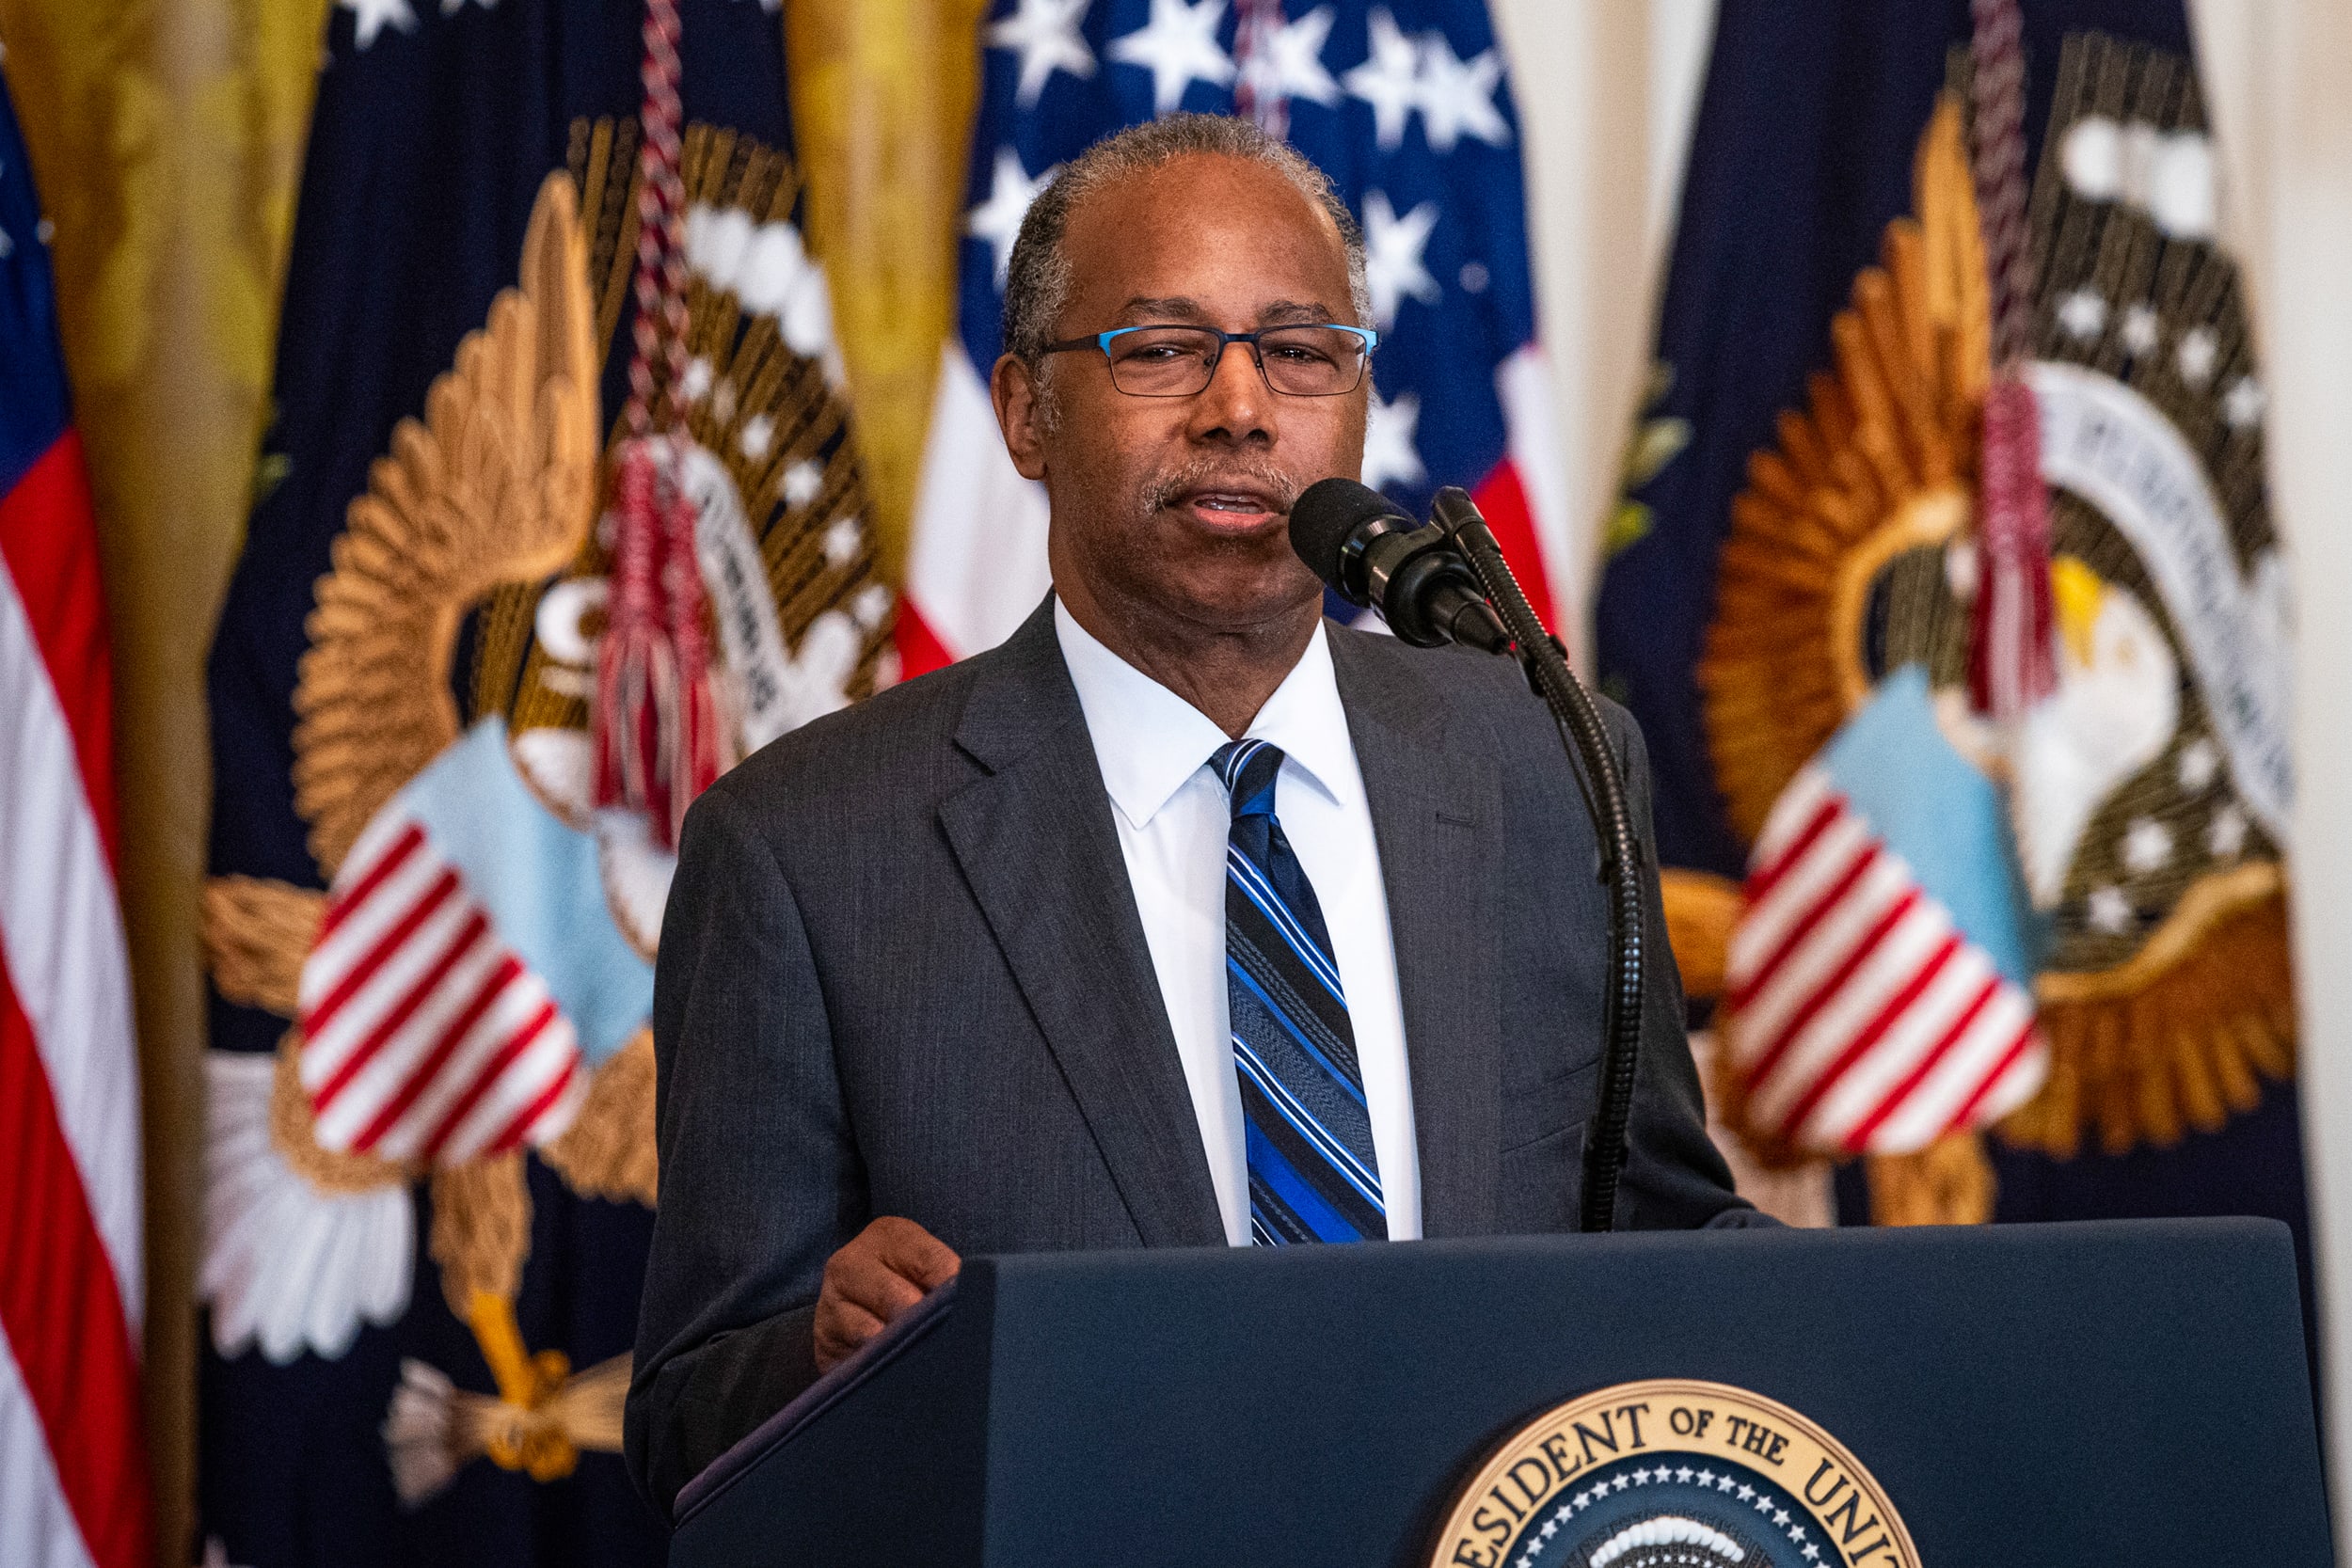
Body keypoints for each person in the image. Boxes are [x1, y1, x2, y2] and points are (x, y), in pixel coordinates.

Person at [624, 112, 1760, 1518]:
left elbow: (1669, 1240)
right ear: (1028, 412)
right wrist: (821, 1352)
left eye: (1300, 351)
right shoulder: (804, 851)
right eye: (1161, 349)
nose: (1240, 406)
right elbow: (687, 1423)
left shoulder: (1547, 766)